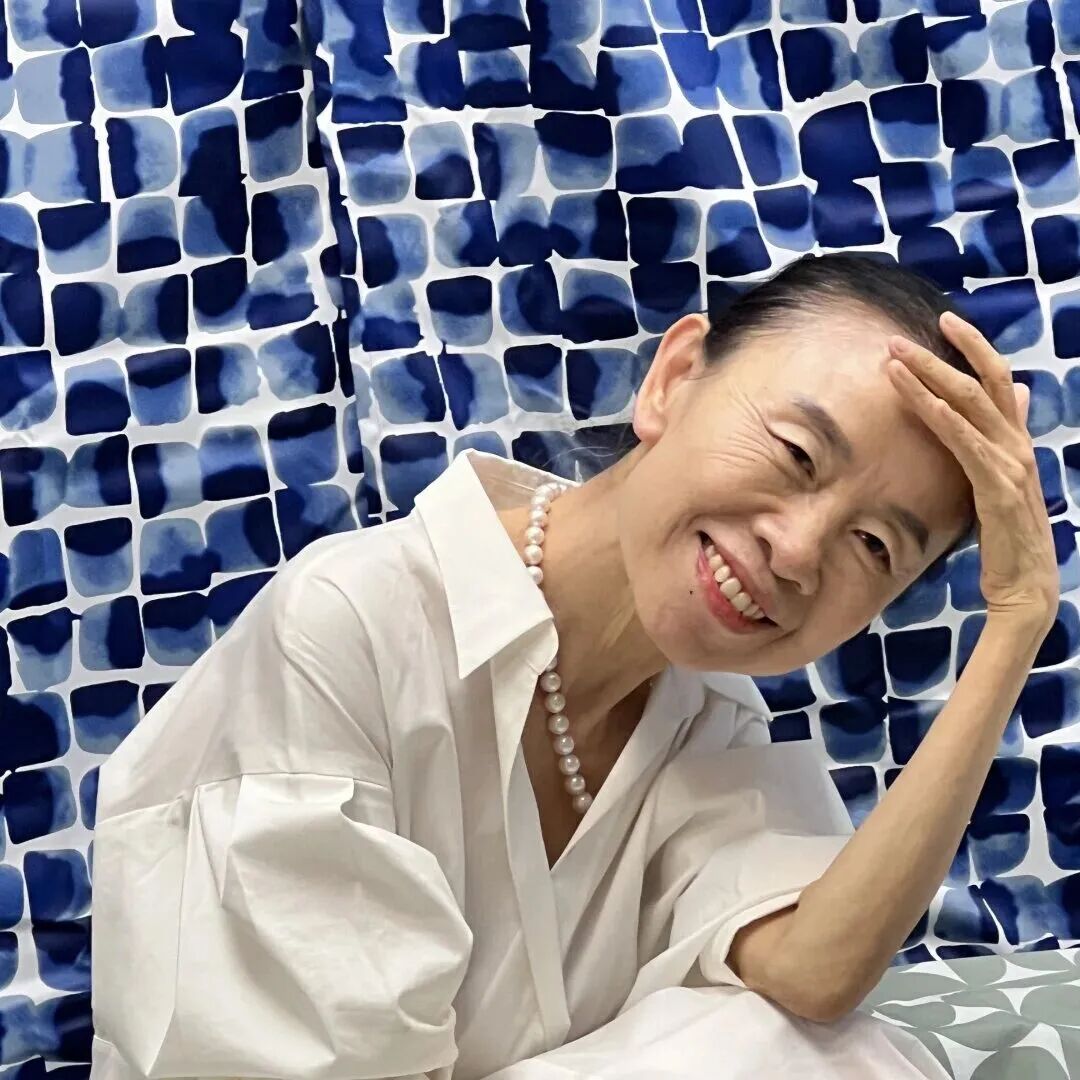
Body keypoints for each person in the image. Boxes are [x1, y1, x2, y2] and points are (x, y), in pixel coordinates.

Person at [89, 252, 1058, 1080]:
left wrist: (1017, 620)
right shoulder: (348, 630)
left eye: (876, 547)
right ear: (672, 379)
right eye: (798, 452)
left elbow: (815, 974)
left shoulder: (707, 719)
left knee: (819, 1044)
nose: (798, 550)